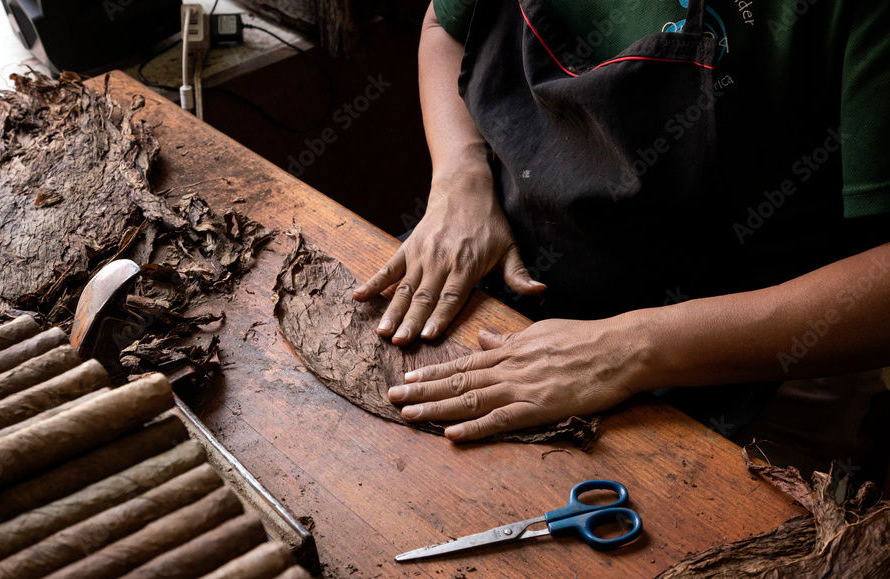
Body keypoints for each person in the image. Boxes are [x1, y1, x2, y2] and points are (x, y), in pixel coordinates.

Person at [351, 0, 890, 470]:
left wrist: (628, 348)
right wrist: (459, 177)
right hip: (507, 275)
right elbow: (445, 28)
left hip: (752, 356)